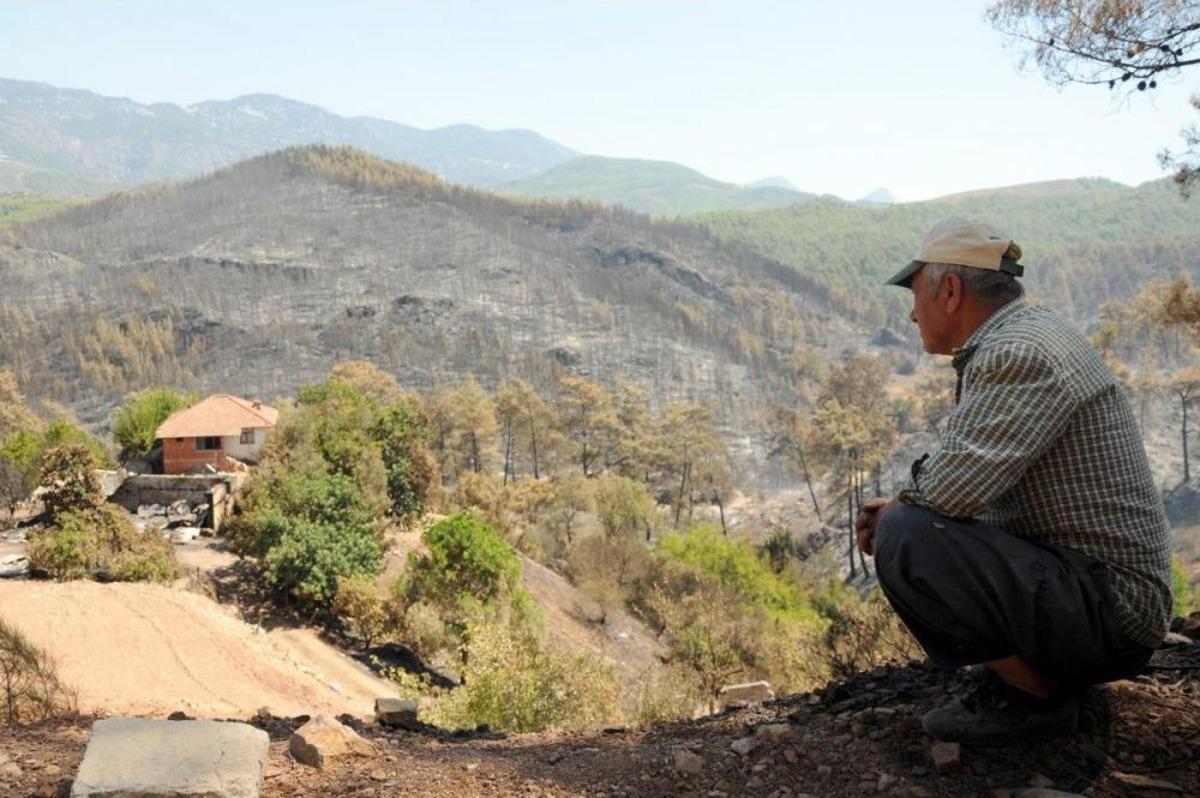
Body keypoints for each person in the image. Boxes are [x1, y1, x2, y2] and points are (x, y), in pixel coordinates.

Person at [856, 217, 1172, 745]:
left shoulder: (1018, 353)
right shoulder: (1028, 335)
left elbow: (949, 492)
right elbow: (969, 481)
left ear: (951, 291)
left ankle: (1034, 697)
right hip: (1100, 592)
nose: (912, 315)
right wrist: (907, 502)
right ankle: (1033, 674)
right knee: (909, 522)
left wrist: (896, 512)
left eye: (916, 297)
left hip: (1113, 612)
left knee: (907, 536)